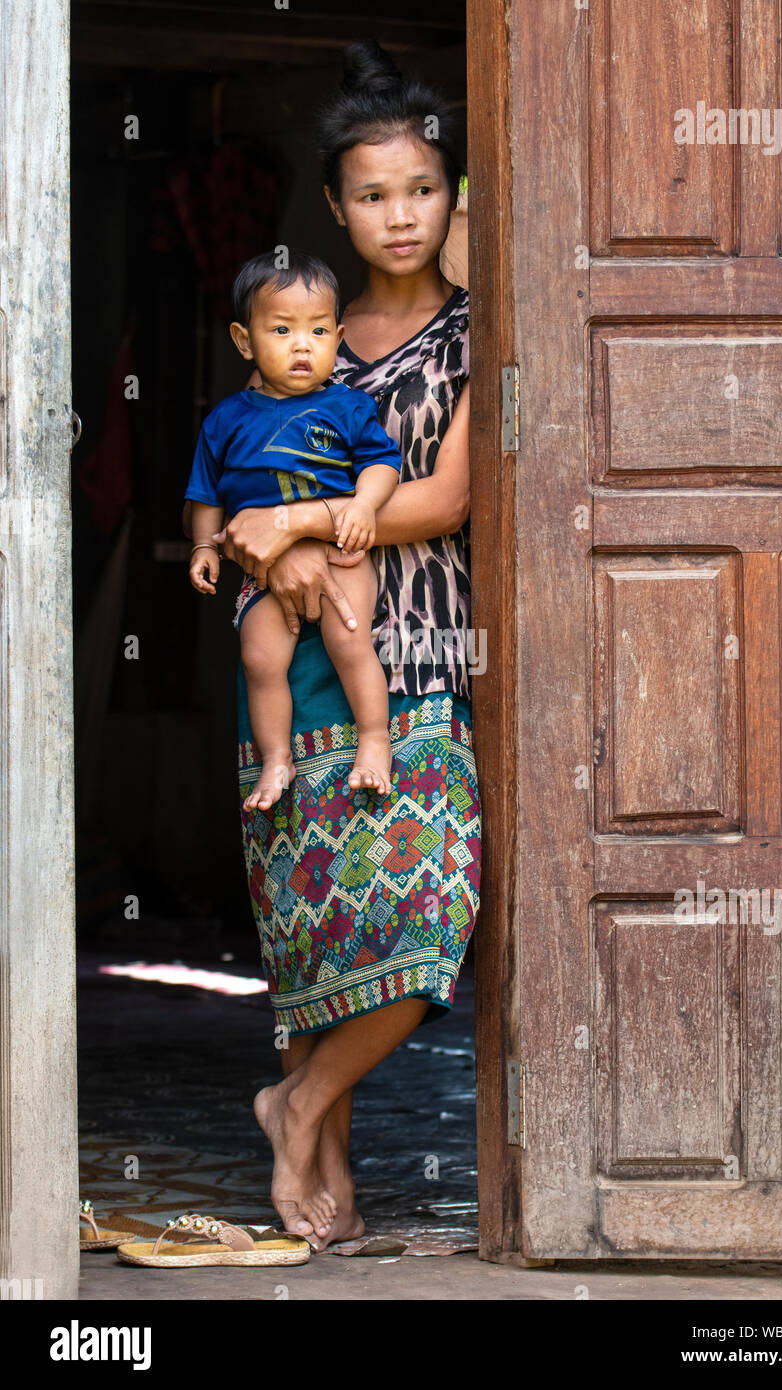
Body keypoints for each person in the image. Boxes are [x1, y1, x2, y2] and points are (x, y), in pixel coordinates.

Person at [216, 38, 481, 1249]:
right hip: (289, 656)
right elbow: (222, 491)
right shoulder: (297, 330)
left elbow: (441, 498)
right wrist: (245, 535)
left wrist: (301, 518)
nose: (399, 216)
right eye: (371, 195)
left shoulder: (478, 329)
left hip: (418, 650)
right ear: (332, 205)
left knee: (429, 915)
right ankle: (322, 1166)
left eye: (421, 190)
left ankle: (298, 1099)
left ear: (452, 196)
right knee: (310, 924)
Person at [185, 251, 403, 810]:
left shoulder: (348, 406)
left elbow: (382, 464)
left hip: (340, 555)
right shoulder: (226, 420)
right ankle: (276, 759)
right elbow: (205, 496)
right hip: (260, 569)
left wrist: (363, 506)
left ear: (338, 336)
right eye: (281, 330)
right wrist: (204, 547)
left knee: (349, 641)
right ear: (243, 340)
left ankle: (375, 741)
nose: (302, 345)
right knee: (260, 660)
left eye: (318, 331)